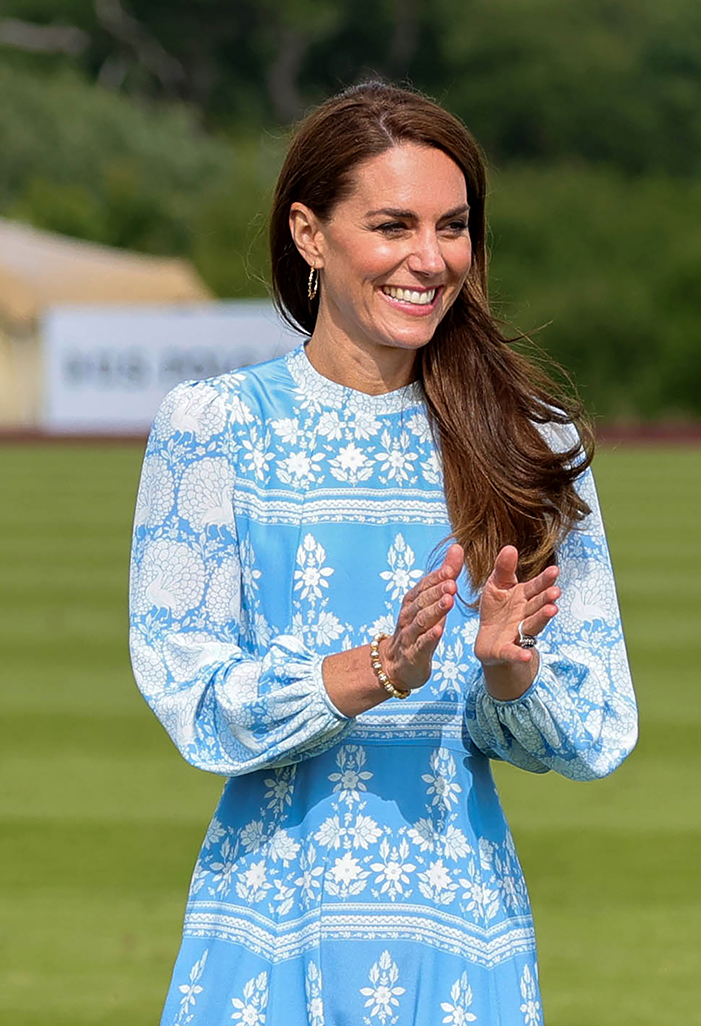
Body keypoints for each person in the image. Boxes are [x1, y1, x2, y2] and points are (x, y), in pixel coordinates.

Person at [129, 80, 638, 1026]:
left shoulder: (531, 441)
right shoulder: (213, 427)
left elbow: (599, 727)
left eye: (453, 227)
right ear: (309, 234)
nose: (429, 258)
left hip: (459, 930)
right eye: (394, 224)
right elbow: (193, 696)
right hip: (267, 924)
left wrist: (509, 678)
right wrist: (374, 671)